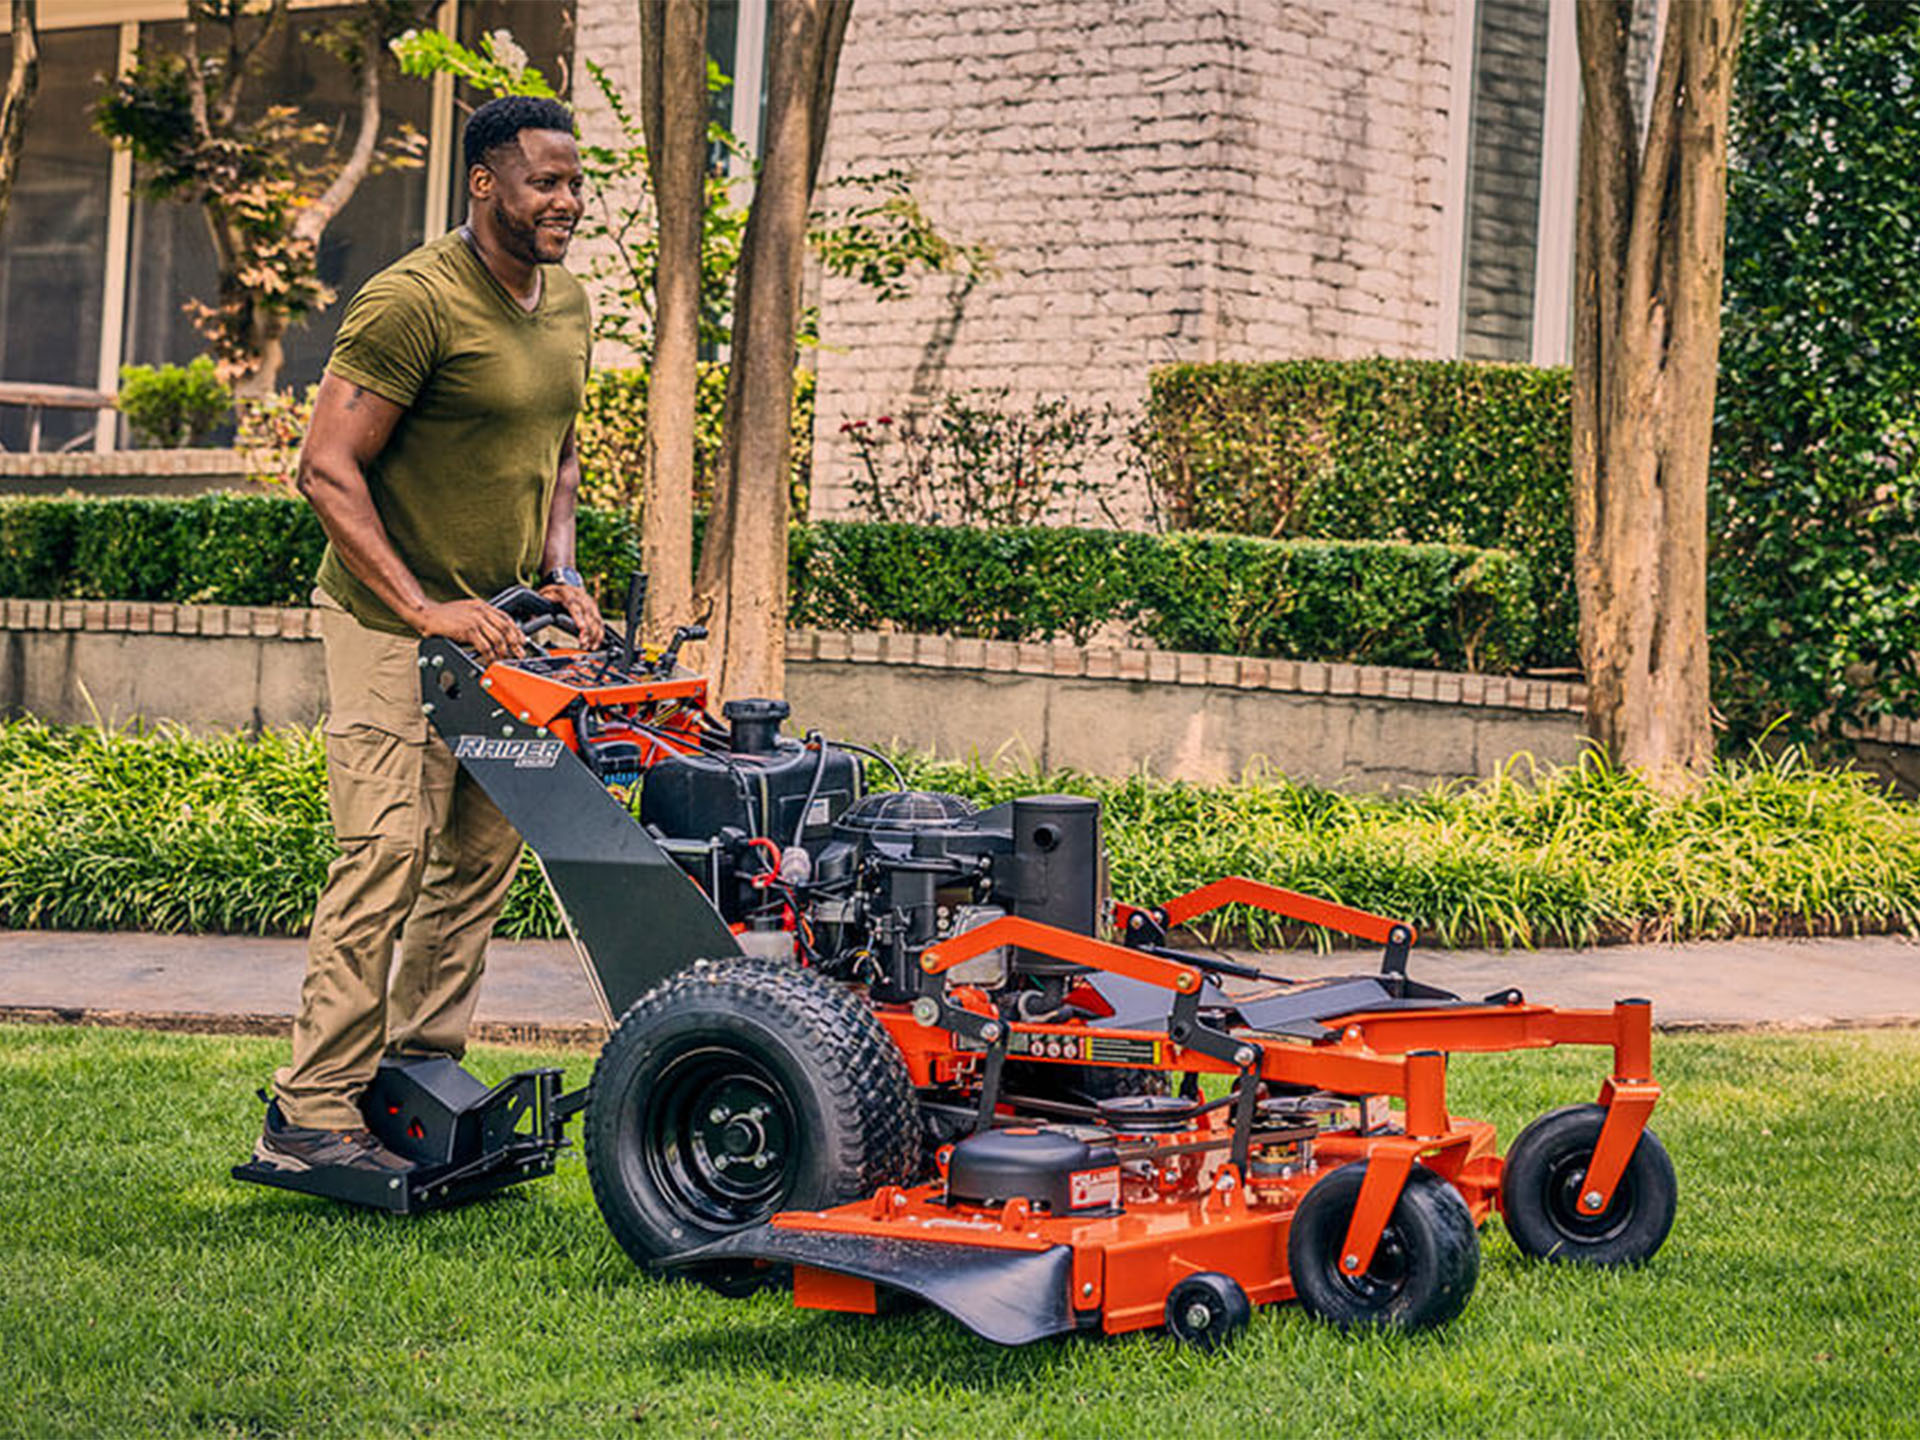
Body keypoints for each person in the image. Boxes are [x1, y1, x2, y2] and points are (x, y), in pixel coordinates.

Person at [254, 96, 606, 1174]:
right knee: (388, 853)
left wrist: (562, 573)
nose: (567, 202)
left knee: (480, 858)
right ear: (484, 184)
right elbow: (325, 467)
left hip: (500, 630)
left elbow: (559, 455)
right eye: (545, 181)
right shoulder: (412, 301)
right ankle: (310, 1113)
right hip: (385, 623)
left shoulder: (568, 304)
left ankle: (413, 1078)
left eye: (576, 182)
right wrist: (419, 608)